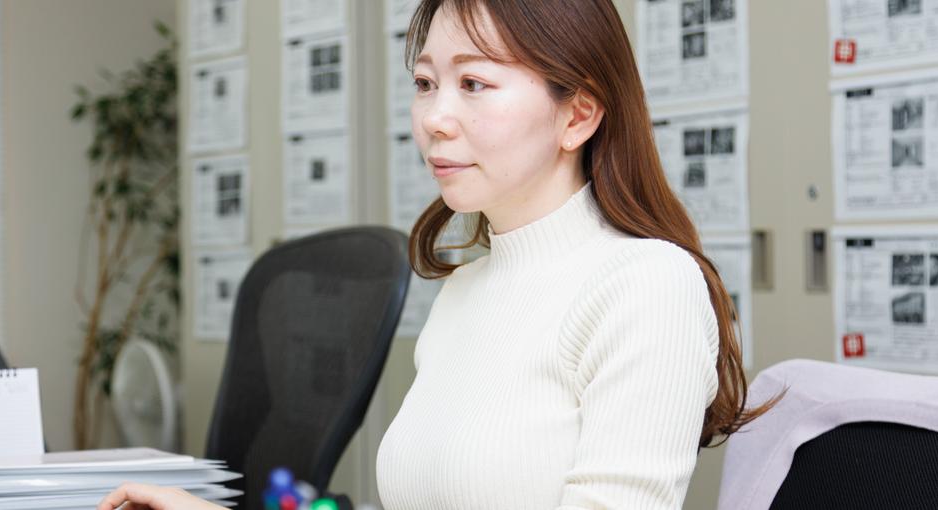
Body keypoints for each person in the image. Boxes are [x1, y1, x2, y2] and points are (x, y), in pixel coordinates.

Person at [99, 0, 772, 508]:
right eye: (426, 83)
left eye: (473, 83)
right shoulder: (466, 287)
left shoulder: (648, 287)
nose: (433, 119)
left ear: (578, 115)